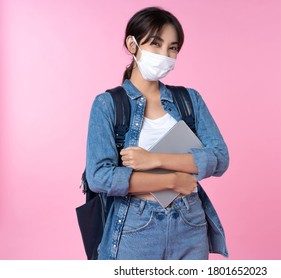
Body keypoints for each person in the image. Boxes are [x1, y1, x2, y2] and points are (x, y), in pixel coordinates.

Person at [85, 6, 229, 260]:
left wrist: (155, 160)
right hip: (136, 226)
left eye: (172, 48)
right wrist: (172, 181)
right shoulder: (108, 104)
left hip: (190, 221)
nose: (165, 54)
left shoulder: (189, 100)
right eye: (155, 43)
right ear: (133, 44)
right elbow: (99, 177)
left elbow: (219, 158)